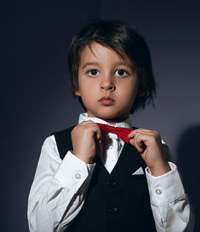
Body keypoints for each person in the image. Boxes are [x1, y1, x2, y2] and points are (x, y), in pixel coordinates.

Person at [27, 20, 193, 232]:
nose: (107, 84)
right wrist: (78, 160)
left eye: (121, 72)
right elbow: (39, 227)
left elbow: (182, 230)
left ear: (141, 84)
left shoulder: (156, 146)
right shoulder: (54, 145)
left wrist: (160, 170)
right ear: (76, 84)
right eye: (93, 72)